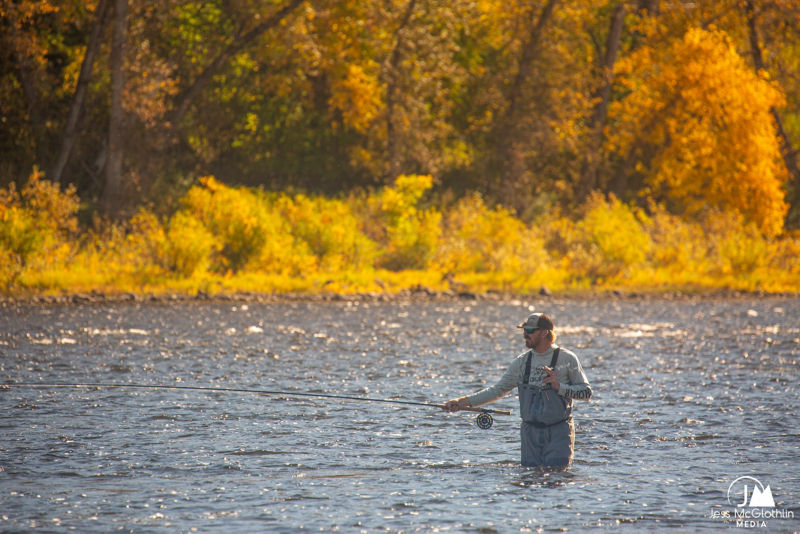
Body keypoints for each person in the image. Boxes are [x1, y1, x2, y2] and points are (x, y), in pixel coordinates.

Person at [443, 312, 592, 467]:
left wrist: (559, 387)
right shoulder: (521, 362)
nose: (525, 335)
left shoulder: (568, 359)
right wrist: (460, 402)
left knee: (556, 478)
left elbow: (586, 393)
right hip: (530, 434)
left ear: (544, 333)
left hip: (559, 432)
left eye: (529, 331)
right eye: (524, 330)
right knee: (529, 479)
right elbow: (497, 391)